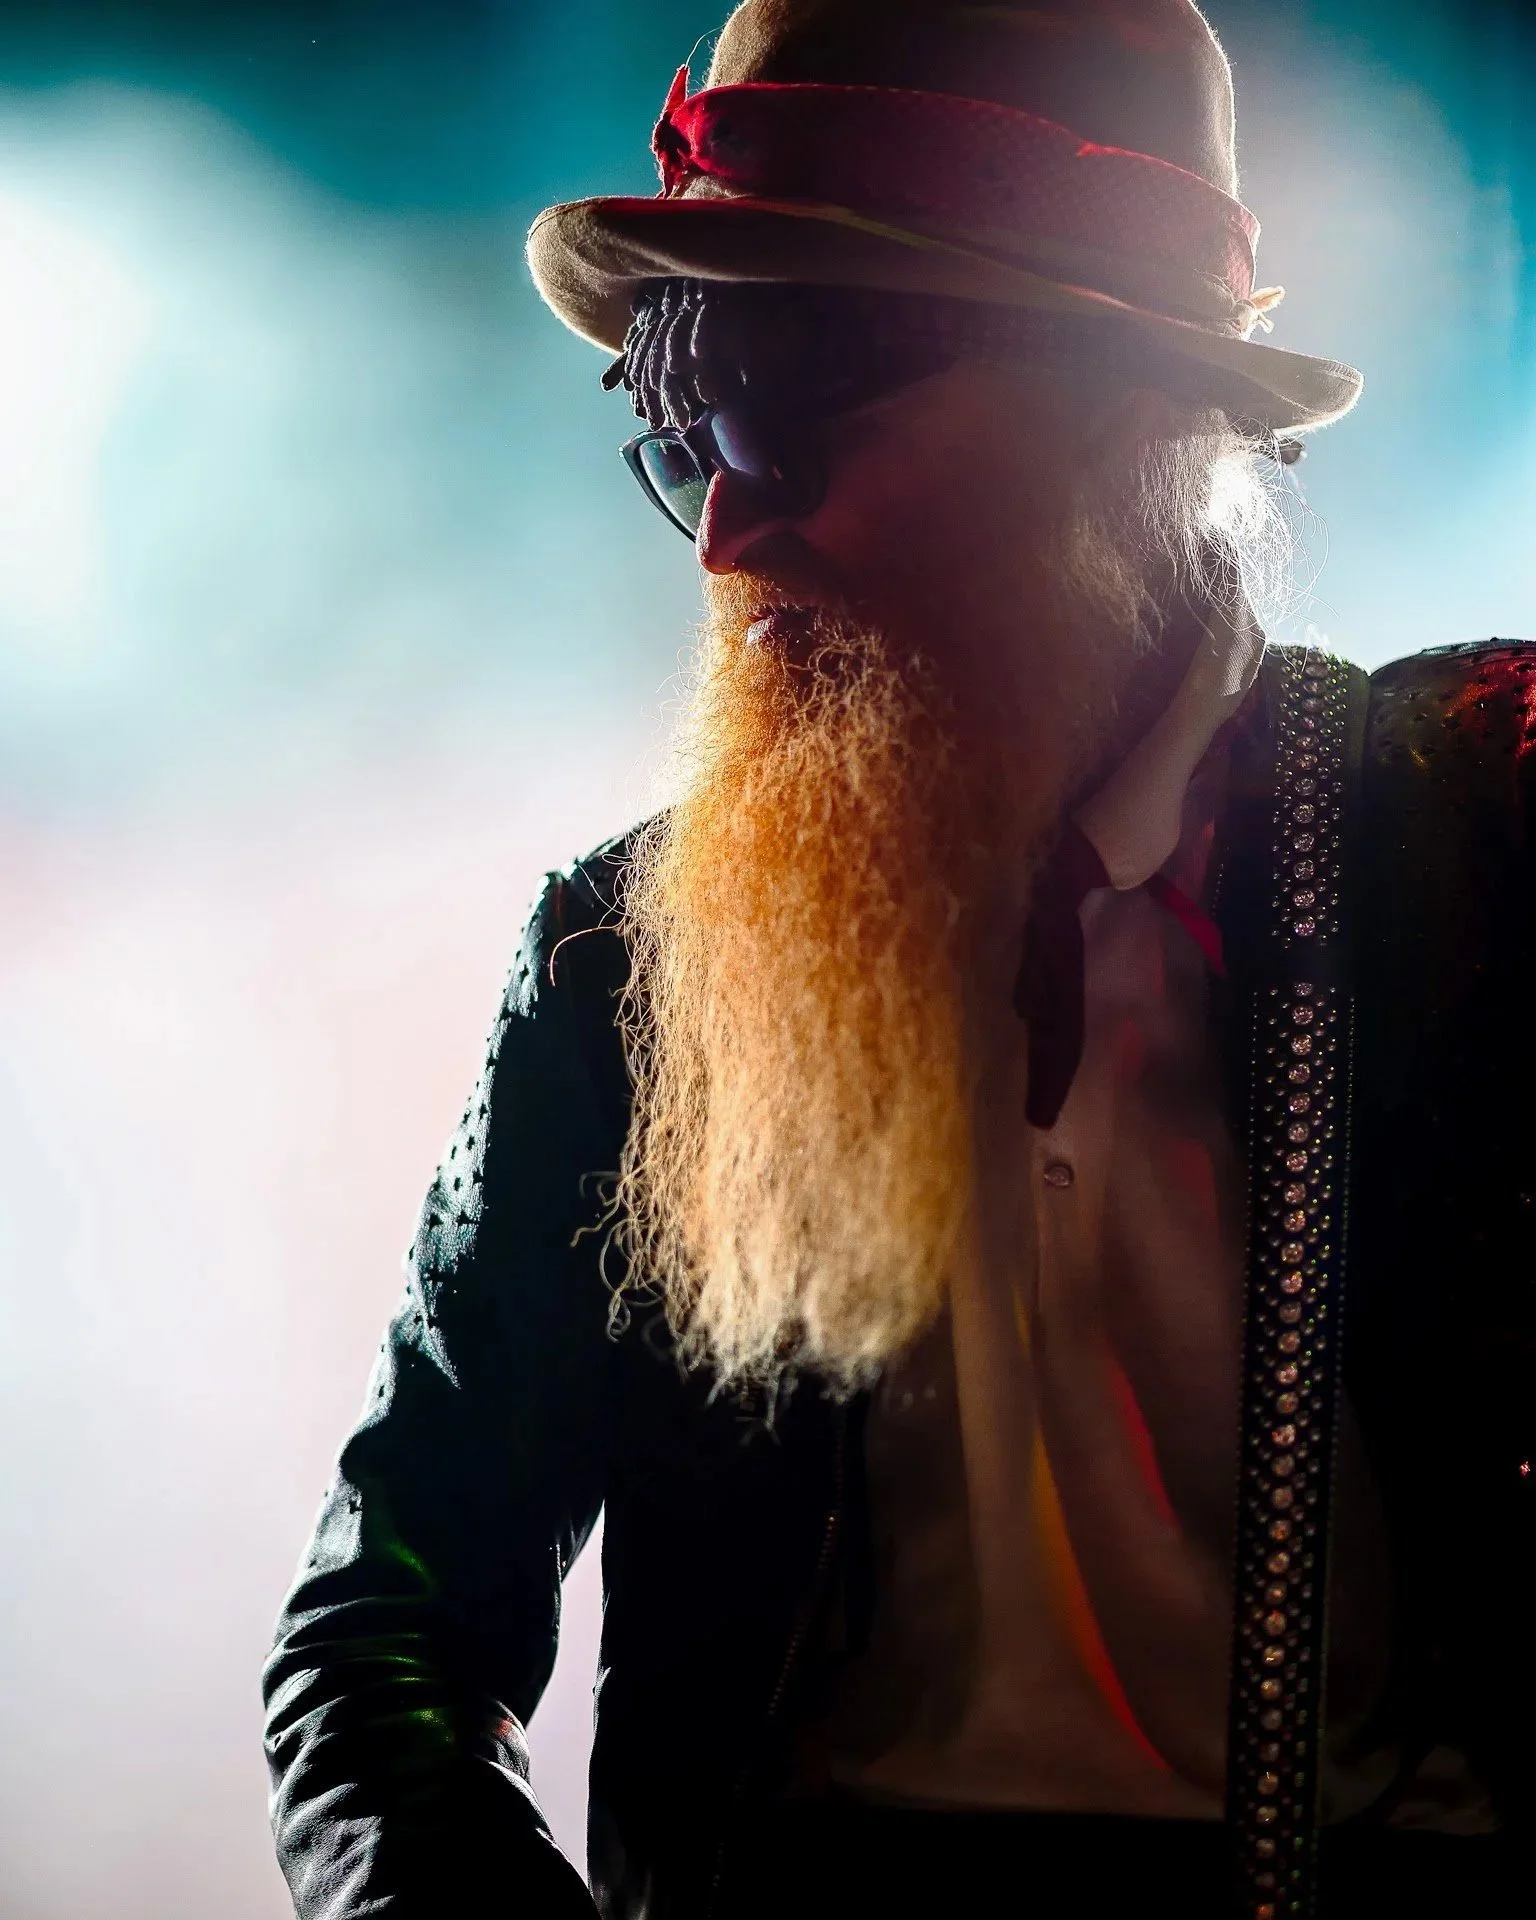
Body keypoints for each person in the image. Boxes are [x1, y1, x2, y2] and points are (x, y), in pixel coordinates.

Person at [262, 4, 1533, 1916]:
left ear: (1126, 402)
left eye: (780, 399)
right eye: (680, 428)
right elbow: (384, 1627)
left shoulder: (1487, 856)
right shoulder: (630, 964)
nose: (724, 533)